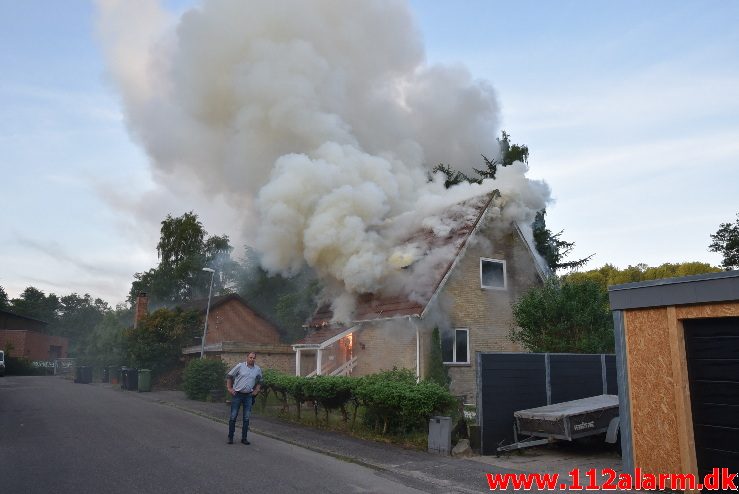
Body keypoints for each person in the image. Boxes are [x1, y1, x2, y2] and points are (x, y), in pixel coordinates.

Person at [225, 352, 262, 445]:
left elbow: (260, 381)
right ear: (247, 357)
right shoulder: (240, 366)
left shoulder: (257, 369)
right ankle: (230, 437)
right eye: (250, 357)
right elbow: (229, 376)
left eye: (254, 358)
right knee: (233, 416)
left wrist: (256, 390)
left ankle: (244, 438)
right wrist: (229, 388)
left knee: (246, 418)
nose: (252, 359)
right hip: (237, 394)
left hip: (248, 396)